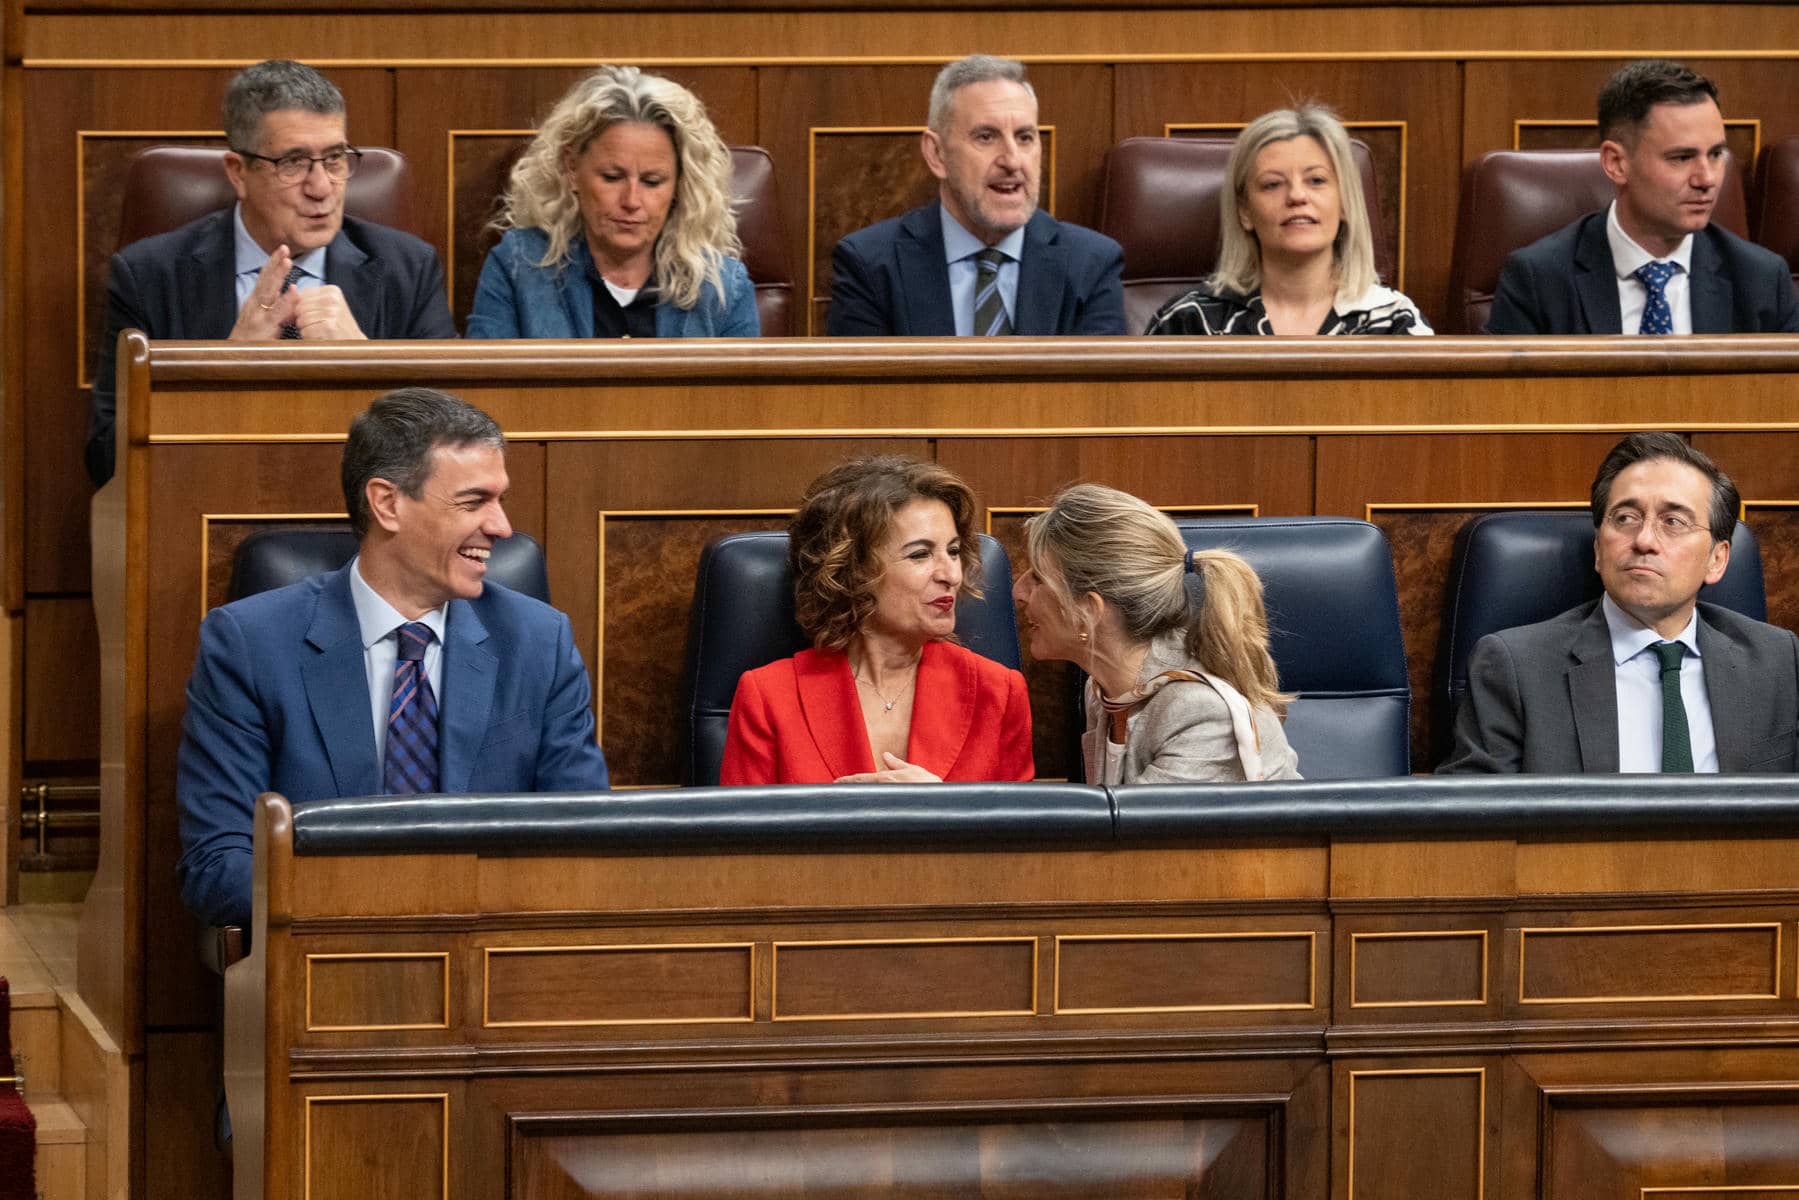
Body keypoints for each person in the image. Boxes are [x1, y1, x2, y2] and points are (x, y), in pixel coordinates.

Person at [175, 388, 610, 929]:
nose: (501, 526)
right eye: (474, 502)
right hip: (326, 963)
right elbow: (220, 867)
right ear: (387, 503)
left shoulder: (538, 642)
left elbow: (587, 845)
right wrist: (395, 909)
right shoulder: (250, 644)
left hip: (498, 962)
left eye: (499, 500)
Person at [86, 60, 456, 487]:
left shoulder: (407, 268)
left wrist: (365, 364)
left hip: (366, 516)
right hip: (208, 503)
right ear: (239, 173)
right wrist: (224, 369)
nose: (322, 188)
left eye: (335, 159)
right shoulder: (150, 275)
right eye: (294, 163)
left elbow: (452, 442)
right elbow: (105, 458)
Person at [1441, 432, 1799, 774]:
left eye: (1673, 521)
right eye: (1625, 518)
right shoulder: (1516, 669)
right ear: (1598, 549)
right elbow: (1471, 825)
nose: (1644, 540)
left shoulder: (1779, 661)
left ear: (1717, 560)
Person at [720, 456, 1034, 784]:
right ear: (853, 572)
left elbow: (1018, 834)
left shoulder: (998, 693)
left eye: (953, 551)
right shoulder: (768, 696)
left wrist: (943, 808)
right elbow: (741, 833)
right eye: (920, 554)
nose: (951, 574)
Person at [1487, 59, 1799, 335]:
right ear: (1617, 163)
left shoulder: (1762, 280)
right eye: (1681, 158)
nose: (1707, 179)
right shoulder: (1539, 280)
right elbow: (1507, 400)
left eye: (1716, 154)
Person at [1013, 484, 1301, 783]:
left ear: (1089, 610)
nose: (1018, 592)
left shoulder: (1201, 715)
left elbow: (1140, 831)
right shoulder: (1104, 690)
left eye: (1036, 578)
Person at [826, 55, 1124, 336]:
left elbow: (1099, 391)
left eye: (1025, 138)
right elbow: (863, 393)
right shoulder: (871, 266)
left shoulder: (1091, 264)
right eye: (986, 137)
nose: (1012, 160)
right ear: (937, 154)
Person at [468, 65, 757, 339]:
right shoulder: (518, 265)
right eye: (611, 177)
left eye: (652, 182)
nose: (631, 201)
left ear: (680, 184)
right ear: (571, 169)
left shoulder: (723, 287)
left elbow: (743, 393)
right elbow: (486, 387)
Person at [1146, 106, 1429, 336]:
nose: (1296, 196)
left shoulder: (1395, 323)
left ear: (1345, 203)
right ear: (1244, 211)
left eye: (1316, 180)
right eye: (1272, 184)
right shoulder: (1188, 322)